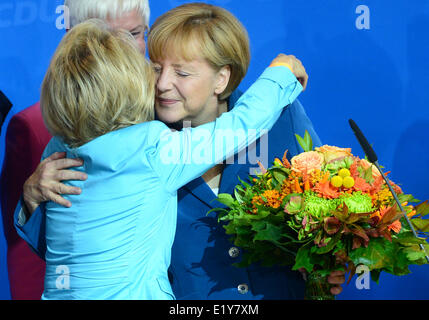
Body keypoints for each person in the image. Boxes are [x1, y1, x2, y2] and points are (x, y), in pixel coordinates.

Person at [14, 2, 345, 299]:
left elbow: (323, 202)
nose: (161, 84)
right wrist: (32, 195)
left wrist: (322, 259)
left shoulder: (280, 117)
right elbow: (77, 243)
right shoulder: (124, 132)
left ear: (221, 78)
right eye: (156, 68)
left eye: (182, 72)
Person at [0, 0, 150, 300]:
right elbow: (27, 262)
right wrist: (31, 200)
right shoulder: (36, 127)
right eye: (108, 38)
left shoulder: (175, 111)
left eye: (134, 34)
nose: (124, 50)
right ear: (73, 38)